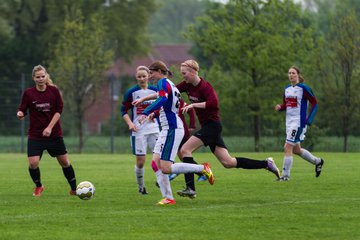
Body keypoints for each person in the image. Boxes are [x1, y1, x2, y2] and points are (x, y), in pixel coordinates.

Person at [176, 59, 281, 198]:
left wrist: (194, 105)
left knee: (184, 150)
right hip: (209, 127)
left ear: (193, 71)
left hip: (212, 126)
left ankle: (191, 188)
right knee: (228, 162)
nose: (183, 76)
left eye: (184, 73)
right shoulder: (187, 85)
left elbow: (214, 103)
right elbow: (170, 91)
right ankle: (266, 163)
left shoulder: (205, 86)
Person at [132, 60, 214, 205]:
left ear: (159, 72)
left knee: (166, 167)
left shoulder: (163, 83)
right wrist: (150, 106)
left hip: (172, 128)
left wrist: (146, 111)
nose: (150, 76)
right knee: (155, 163)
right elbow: (165, 100)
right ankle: (168, 198)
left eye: (151, 73)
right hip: (168, 128)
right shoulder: (169, 84)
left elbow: (163, 99)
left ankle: (203, 168)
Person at [17, 65, 77, 197]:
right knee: (33, 163)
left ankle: (74, 189)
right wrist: (20, 113)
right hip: (35, 135)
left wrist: (49, 128)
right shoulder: (28, 93)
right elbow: (22, 109)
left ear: (46, 76)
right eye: (38, 77)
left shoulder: (54, 91)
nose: (40, 79)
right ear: (33, 78)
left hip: (54, 134)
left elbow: (58, 111)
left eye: (43, 76)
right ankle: (39, 186)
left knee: (65, 162)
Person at [274, 66, 324, 181]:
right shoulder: (287, 89)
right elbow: (287, 104)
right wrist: (280, 107)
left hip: (298, 123)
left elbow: (315, 103)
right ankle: (318, 161)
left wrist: (309, 120)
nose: (291, 75)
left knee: (287, 147)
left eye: (293, 73)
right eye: (289, 73)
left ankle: (285, 177)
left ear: (298, 75)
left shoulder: (304, 88)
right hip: (289, 122)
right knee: (296, 150)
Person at [121, 66, 160, 194]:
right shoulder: (131, 92)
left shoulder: (155, 90)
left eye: (144, 76)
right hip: (139, 130)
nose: (142, 79)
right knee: (141, 161)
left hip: (154, 129)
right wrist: (130, 123)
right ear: (136, 78)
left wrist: (155, 114)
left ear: (149, 76)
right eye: (139, 77)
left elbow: (163, 105)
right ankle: (141, 187)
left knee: (159, 158)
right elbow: (123, 111)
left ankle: (161, 181)